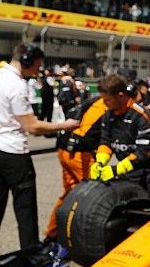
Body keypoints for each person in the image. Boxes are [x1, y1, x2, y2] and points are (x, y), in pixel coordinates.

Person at [0, 43, 79, 267]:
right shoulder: (17, 85)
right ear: (27, 61)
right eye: (37, 66)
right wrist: (65, 126)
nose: (38, 70)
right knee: (26, 212)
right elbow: (32, 127)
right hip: (13, 153)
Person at [44, 95, 107, 240]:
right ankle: (82, 239)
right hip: (81, 153)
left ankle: (52, 234)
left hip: (65, 148)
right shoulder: (109, 104)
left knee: (69, 194)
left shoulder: (95, 101)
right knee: (91, 196)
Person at [90, 74, 150, 196]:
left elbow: (144, 152)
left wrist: (117, 169)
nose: (104, 104)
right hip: (124, 172)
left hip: (146, 173)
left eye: (107, 100)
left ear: (120, 96)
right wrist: (100, 162)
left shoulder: (141, 116)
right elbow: (105, 141)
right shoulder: (108, 114)